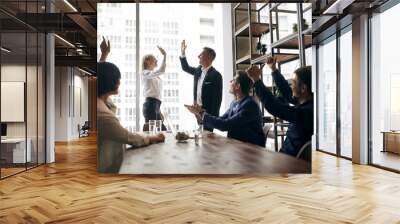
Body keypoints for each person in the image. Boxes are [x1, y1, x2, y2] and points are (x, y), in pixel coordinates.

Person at [97, 37, 165, 173]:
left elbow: (100, 76)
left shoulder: (102, 101)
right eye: (118, 79)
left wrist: (104, 55)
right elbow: (128, 137)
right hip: (108, 168)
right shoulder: (103, 113)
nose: (120, 82)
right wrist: (153, 138)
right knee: (157, 132)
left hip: (156, 105)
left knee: (160, 128)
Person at [246, 57, 313, 160]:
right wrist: (274, 70)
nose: (291, 86)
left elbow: (275, 107)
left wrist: (256, 80)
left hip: (289, 164)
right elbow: (287, 92)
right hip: (285, 158)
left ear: (303, 88)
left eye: (293, 83)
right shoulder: (307, 103)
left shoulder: (307, 112)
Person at [185, 71, 265, 147]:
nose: (230, 81)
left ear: (238, 86)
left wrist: (202, 113)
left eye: (233, 80)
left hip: (251, 150)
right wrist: (199, 114)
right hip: (238, 147)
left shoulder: (250, 105)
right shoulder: (234, 103)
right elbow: (221, 119)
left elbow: (225, 125)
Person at [179, 40, 222, 132]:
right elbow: (185, 68)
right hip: (197, 110)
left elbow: (217, 99)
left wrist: (213, 118)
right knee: (200, 134)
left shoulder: (216, 75)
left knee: (207, 137)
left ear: (208, 57)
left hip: (208, 113)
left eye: (201, 54)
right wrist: (182, 52)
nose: (198, 56)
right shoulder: (198, 70)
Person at [141, 46, 167, 131]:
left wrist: (158, 110)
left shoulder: (154, 75)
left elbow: (156, 93)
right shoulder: (145, 73)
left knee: (163, 131)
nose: (156, 60)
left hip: (156, 105)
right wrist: (164, 56)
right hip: (150, 105)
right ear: (147, 61)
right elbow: (161, 71)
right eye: (154, 59)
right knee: (151, 132)